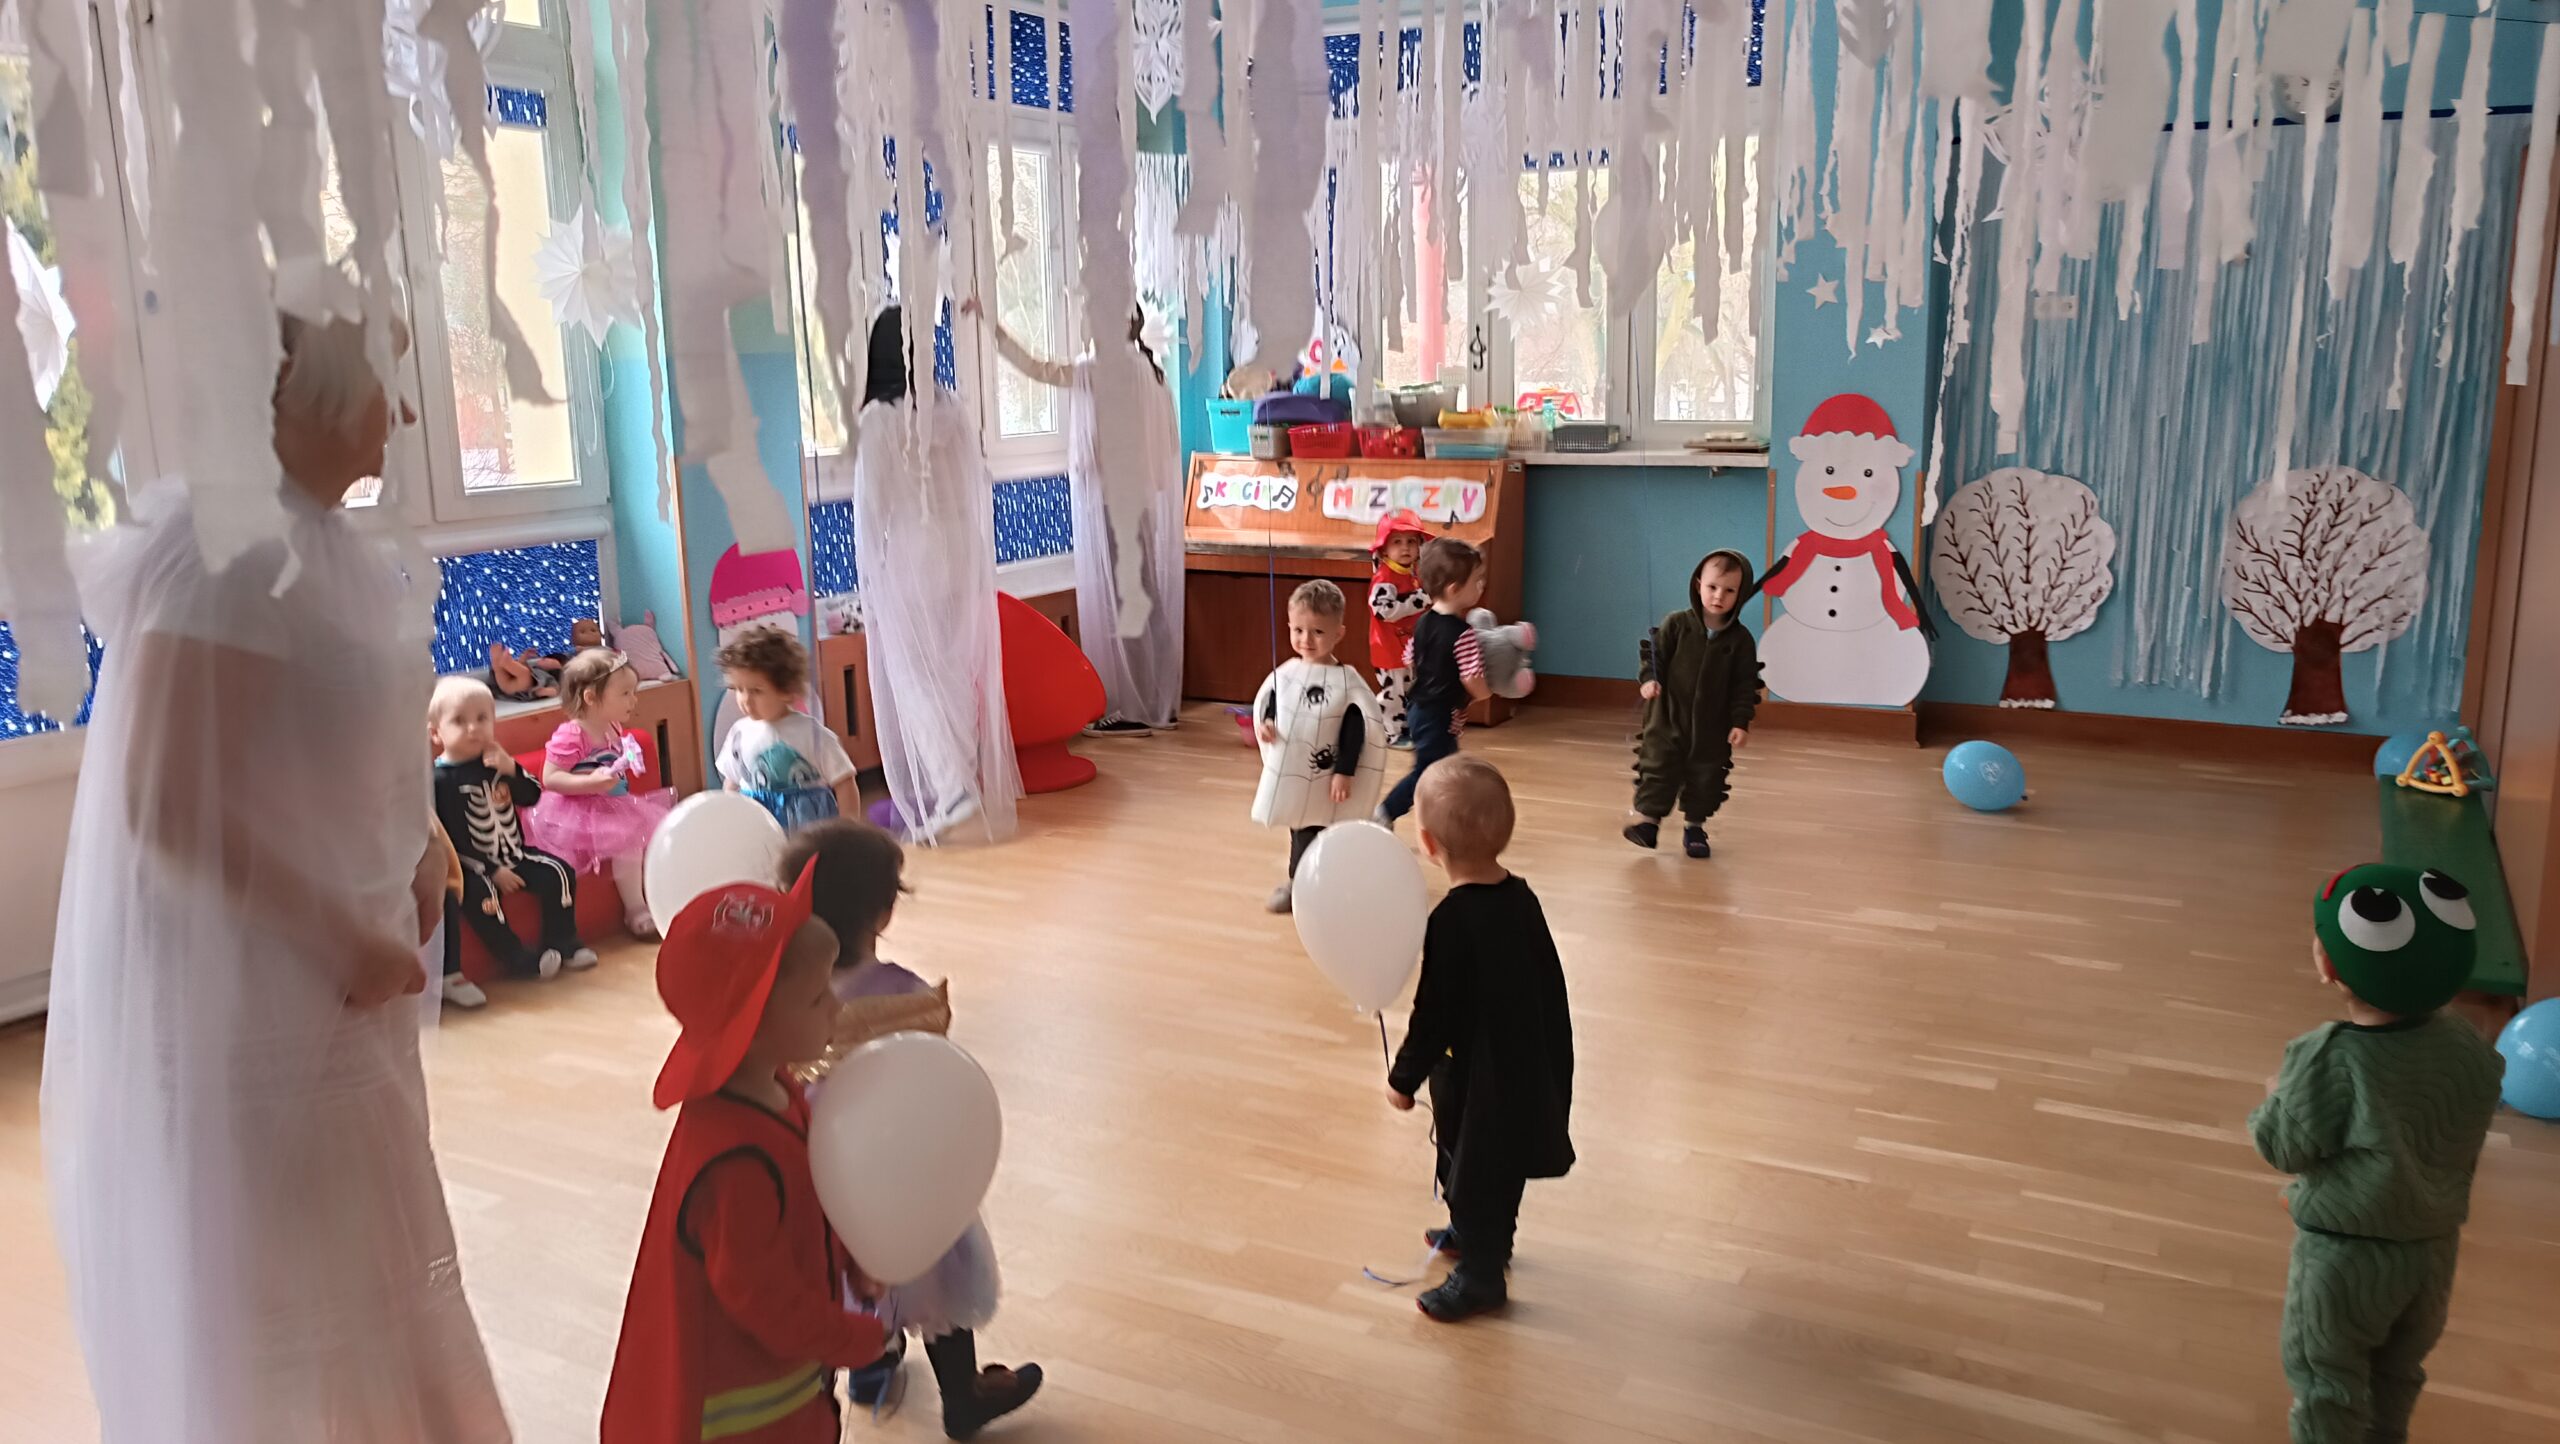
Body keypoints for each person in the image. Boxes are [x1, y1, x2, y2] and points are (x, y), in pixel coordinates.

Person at [42, 311, 511, 1442]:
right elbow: (167, 800)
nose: (404, 413)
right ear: (305, 394)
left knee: (370, 1272)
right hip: (266, 999)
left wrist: (421, 839)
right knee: (299, 1299)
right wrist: (338, 935)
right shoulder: (228, 551)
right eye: (385, 387)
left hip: (340, 995)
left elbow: (333, 738)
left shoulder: (317, 542)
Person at [602, 866, 893, 1443]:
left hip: (791, 1393)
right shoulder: (734, 1162)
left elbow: (805, 1202)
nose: (836, 1006)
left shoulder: (779, 1089)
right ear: (753, 1024)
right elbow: (762, 1299)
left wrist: (849, 1257)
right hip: (742, 1417)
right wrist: (854, 1340)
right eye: (817, 997)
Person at [782, 820, 1045, 1439]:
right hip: (910, 1181)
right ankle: (962, 1394)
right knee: (935, 1276)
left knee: (836, 1286)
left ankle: (852, 1378)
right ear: (883, 913)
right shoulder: (907, 996)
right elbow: (935, 1087)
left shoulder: (787, 1002)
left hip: (825, 1187)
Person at [2250, 865, 2505, 1444]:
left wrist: (2277, 1098)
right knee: (2397, 1370)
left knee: (2328, 1384)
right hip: (2432, 1252)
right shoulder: (2467, 1043)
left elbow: (2283, 1147)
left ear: (2327, 966)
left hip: (2344, 1260)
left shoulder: (2329, 1057)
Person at [1386, 756, 1575, 1323]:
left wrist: (1403, 1078)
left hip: (1485, 1077)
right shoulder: (1521, 897)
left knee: (1477, 1172)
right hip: (1523, 1063)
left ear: (1427, 843)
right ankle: (1475, 1234)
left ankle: (1482, 1278)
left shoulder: (1451, 921)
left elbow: (1433, 1014)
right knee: (1486, 1166)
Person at [964, 296, 1183, 737]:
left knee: (1128, 602)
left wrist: (992, 325)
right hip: (1139, 500)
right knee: (1147, 600)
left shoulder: (1099, 369)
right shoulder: (1149, 370)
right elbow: (1165, 446)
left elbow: (1037, 368)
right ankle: (1160, 701)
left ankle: (1136, 709)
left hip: (1115, 501)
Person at [853, 305, 1020, 844]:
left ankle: (952, 787)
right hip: (959, 547)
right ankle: (961, 776)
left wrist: (871, 580)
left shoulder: (880, 419)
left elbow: (873, 509)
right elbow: (974, 483)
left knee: (912, 674)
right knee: (950, 667)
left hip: (914, 551)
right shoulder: (949, 406)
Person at [430, 675, 593, 987]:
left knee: (559, 872)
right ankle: (516, 958)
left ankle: (563, 942)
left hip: (515, 853)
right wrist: (491, 869)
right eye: (459, 721)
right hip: (473, 866)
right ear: (436, 732)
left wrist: (512, 770)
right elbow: (451, 838)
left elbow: (531, 796)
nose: (473, 728)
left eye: (482, 719)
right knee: (482, 896)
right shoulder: (439, 780)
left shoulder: (497, 764)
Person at [1251, 579, 1384, 913]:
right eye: (1298, 630)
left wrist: (1344, 772)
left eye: (1318, 632)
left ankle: (1326, 885)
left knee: (1328, 830)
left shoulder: (1346, 683)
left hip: (1330, 778)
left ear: (1339, 633)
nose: (1306, 640)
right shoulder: (1287, 673)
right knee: (1300, 827)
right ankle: (1298, 883)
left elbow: (1355, 730)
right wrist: (1268, 723)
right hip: (1297, 775)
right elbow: (1276, 703)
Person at [525, 648, 674, 937]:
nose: (634, 700)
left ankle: (651, 899)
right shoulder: (572, 735)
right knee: (626, 844)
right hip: (578, 810)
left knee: (641, 841)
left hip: (614, 803)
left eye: (633, 692)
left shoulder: (613, 726)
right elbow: (550, 778)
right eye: (626, 694)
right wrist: (589, 782)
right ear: (591, 698)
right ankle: (634, 910)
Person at [1626, 549, 1762, 859]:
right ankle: (1648, 823)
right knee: (1658, 767)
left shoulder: (1740, 641)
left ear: (1740, 594)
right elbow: (1654, 656)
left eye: (1729, 590)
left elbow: (1744, 685)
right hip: (1666, 719)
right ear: (1699, 584)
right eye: (1712, 587)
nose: (1719, 596)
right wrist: (1650, 679)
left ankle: (1695, 827)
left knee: (1706, 776)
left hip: (1712, 727)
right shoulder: (1676, 624)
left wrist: (1740, 722)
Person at [1377, 537, 1492, 828]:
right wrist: (1485, 693)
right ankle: (1386, 812)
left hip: (1419, 708)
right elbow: (1472, 677)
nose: (1481, 586)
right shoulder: (1463, 633)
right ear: (1454, 589)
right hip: (1438, 714)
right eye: (1477, 581)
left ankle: (1446, 816)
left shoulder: (1423, 622)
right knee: (1428, 771)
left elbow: (1409, 658)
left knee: (1446, 763)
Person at [718, 624, 860, 830]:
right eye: (739, 689)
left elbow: (844, 782)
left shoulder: (813, 734)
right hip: (759, 822)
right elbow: (732, 781)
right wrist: (728, 818)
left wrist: (848, 828)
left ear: (787, 691)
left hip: (808, 824)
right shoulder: (739, 733)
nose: (745, 700)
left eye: (756, 691)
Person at [1366, 511, 1434, 748]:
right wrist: (1419, 600)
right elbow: (1383, 610)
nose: (1405, 548)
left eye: (1411, 541)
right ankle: (1392, 732)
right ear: (1384, 548)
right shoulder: (1385, 577)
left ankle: (1409, 727)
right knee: (1393, 692)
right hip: (1389, 648)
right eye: (1397, 541)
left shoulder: (1412, 572)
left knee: (1409, 688)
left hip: (1409, 647)